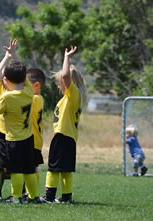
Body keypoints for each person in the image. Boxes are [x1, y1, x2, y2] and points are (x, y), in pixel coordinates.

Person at [0, 39, 40, 204]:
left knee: (15, 170)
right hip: (28, 137)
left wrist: (8, 57)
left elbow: (0, 112)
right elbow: (21, 75)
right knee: (29, 170)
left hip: (12, 139)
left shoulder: (5, 96)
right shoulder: (28, 91)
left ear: (6, 80)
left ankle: (16, 197)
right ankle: (33, 197)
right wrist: (12, 56)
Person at [42, 46, 87, 204]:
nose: (59, 85)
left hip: (62, 137)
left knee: (53, 168)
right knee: (66, 170)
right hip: (69, 138)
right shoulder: (71, 98)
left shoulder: (72, 94)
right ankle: (66, 197)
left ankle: (48, 197)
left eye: (60, 82)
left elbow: (67, 76)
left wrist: (66, 57)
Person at [26, 68, 46, 186]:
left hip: (33, 140)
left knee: (32, 168)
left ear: (36, 85)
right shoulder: (38, 98)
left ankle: (31, 194)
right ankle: (28, 193)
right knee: (30, 167)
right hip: (34, 140)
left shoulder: (36, 99)